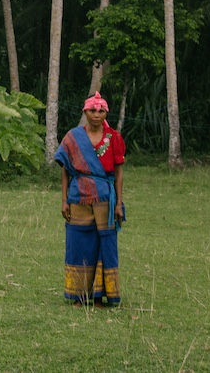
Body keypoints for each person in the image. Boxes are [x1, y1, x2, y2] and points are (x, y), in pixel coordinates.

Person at [55, 91, 125, 307]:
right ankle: (79, 296)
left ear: (106, 113)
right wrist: (64, 200)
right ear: (85, 112)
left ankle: (99, 296)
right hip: (78, 198)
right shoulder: (72, 138)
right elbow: (66, 171)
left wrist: (119, 204)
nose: (96, 114)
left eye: (101, 110)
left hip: (105, 198)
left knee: (103, 246)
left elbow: (119, 173)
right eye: (92, 110)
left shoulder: (114, 138)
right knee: (79, 246)